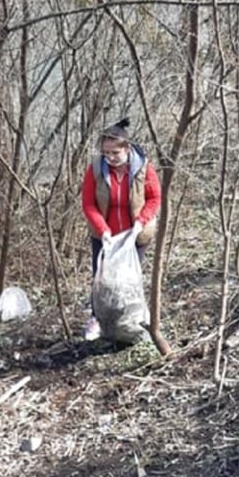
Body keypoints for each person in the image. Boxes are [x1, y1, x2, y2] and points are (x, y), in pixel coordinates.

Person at [81, 118, 161, 340]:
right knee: (103, 279)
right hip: (105, 236)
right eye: (106, 153)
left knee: (128, 280)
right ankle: (98, 319)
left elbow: (154, 198)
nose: (111, 157)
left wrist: (140, 222)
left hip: (135, 235)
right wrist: (103, 229)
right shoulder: (96, 169)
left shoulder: (143, 168)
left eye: (115, 152)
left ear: (127, 148)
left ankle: (130, 321)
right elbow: (88, 203)